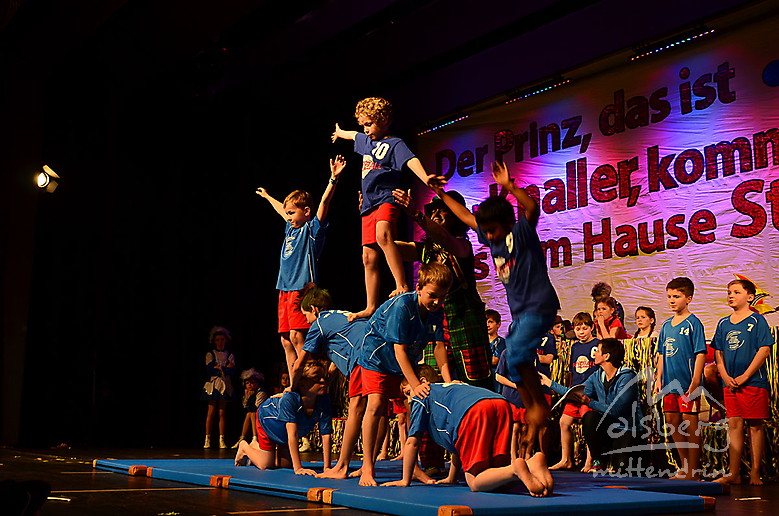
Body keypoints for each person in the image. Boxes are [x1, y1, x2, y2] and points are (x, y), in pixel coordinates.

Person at [430, 161, 560, 456]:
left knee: (515, 353)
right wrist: (442, 193)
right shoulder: (494, 241)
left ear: (507, 223)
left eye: (492, 230)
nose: (487, 236)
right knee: (512, 362)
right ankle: (533, 410)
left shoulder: (521, 234)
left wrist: (511, 187)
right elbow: (466, 216)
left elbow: (532, 209)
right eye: (485, 232)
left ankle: (538, 407)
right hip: (520, 315)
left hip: (539, 306)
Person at [331, 97, 435, 321]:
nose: (366, 129)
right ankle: (370, 306)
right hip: (368, 205)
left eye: (369, 124)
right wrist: (340, 133)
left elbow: (411, 160)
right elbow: (353, 135)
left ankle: (401, 284)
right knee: (368, 257)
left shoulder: (395, 144)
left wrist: (426, 178)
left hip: (387, 197)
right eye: (363, 125)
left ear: (385, 120)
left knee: (383, 235)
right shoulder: (366, 141)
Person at [354, 262, 454, 486]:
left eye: (442, 297)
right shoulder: (403, 307)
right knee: (376, 404)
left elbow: (439, 347)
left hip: (403, 359)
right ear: (419, 289)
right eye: (432, 295)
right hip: (377, 357)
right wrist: (415, 385)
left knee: (413, 406)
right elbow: (399, 351)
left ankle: (413, 468)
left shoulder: (437, 311)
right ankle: (368, 467)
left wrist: (448, 382)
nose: (437, 302)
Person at [381, 366, 552, 496]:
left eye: (408, 392)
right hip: (499, 403)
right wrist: (452, 477)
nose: (409, 399)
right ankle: (532, 464)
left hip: (474, 411)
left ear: (423, 381)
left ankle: (515, 468)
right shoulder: (451, 387)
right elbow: (459, 444)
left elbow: (412, 442)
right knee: (496, 476)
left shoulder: (422, 395)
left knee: (475, 482)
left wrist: (405, 480)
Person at [255, 155, 345, 379]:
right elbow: (281, 209)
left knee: (298, 336)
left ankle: (310, 378)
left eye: (292, 213)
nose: (288, 217)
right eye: (287, 214)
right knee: (286, 339)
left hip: (300, 289)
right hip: (284, 290)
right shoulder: (290, 228)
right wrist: (267, 197)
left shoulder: (311, 230)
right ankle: (294, 383)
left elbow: (324, 204)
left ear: (306, 212)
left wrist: (333, 179)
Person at [393, 188, 493, 389]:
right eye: (432, 210)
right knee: (433, 381)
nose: (435, 213)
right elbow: (391, 247)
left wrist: (416, 215)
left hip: (465, 322)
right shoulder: (426, 250)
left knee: (477, 384)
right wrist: (376, 221)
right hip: (435, 323)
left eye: (442, 209)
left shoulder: (463, 245)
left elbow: (445, 239)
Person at [290, 287, 372, 480]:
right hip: (376, 349)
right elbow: (335, 366)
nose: (306, 321)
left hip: (362, 355)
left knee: (356, 408)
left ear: (314, 309)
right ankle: (368, 466)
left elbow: (298, 364)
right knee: (376, 408)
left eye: (306, 315)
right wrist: (326, 382)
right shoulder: (340, 318)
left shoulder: (319, 323)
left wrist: (292, 388)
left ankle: (342, 466)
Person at [541, 338, 644, 473]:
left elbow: (618, 409)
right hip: (608, 427)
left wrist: (590, 402)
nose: (594, 353)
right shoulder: (597, 376)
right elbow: (575, 392)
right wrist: (549, 383)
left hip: (627, 428)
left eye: (598, 351)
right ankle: (597, 461)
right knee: (589, 416)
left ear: (606, 356)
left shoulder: (627, 377)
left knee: (622, 468)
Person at [712, 279, 773, 485]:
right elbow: (718, 352)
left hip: (753, 381)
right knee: (734, 424)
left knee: (755, 425)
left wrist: (745, 376)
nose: (731, 295)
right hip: (730, 383)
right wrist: (724, 375)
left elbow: (764, 350)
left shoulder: (757, 320)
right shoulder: (723, 323)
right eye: (729, 292)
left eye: (736, 292)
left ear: (749, 297)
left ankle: (755, 471)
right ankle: (734, 472)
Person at [234, 360, 332, 475]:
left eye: (323, 377)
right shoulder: (291, 399)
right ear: (302, 383)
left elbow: (326, 434)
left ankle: (257, 448)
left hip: (283, 432)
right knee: (266, 464)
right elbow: (292, 434)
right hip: (268, 422)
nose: (323, 381)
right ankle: (245, 447)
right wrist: (298, 468)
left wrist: (327, 468)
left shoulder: (324, 401)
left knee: (285, 465)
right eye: (316, 378)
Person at [654, 277, 707, 480]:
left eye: (676, 296)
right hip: (669, 384)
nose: (671, 300)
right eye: (669, 296)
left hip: (687, 383)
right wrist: (658, 378)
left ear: (689, 298)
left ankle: (694, 469)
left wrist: (696, 381)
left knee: (690, 423)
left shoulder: (694, 323)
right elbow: (661, 353)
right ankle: (684, 466)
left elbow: (700, 353)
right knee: (672, 421)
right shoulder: (666, 325)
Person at [550, 312, 599, 471]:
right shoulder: (575, 346)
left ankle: (589, 461)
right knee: (564, 422)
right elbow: (573, 371)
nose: (581, 332)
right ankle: (566, 459)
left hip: (590, 393)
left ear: (591, 328)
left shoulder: (597, 344)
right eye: (578, 329)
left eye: (585, 328)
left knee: (588, 423)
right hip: (575, 392)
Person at [202, 326, 236, 449]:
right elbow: (210, 369)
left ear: (226, 340)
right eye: (217, 340)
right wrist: (224, 368)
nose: (220, 342)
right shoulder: (211, 354)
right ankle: (207, 438)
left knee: (222, 412)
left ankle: (222, 439)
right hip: (213, 384)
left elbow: (232, 371)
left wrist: (221, 368)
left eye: (222, 339)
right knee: (211, 411)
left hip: (225, 384)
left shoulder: (229, 355)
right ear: (214, 341)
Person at [494, 349, 526, 460]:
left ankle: (523, 456)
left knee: (525, 429)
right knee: (514, 427)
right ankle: (513, 456)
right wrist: (515, 386)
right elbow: (498, 376)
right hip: (511, 396)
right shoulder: (507, 353)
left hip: (526, 398)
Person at [233, 368, 269, 448]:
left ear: (257, 383)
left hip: (264, 414)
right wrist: (247, 396)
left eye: (252, 383)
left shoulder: (261, 393)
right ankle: (242, 438)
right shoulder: (249, 393)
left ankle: (255, 438)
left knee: (252, 414)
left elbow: (257, 407)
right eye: (247, 383)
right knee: (249, 414)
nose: (249, 385)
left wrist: (251, 396)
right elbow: (245, 406)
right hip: (254, 414)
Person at [487, 309, 507, 391]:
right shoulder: (481, 342)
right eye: (485, 322)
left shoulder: (501, 342)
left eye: (490, 322)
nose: (487, 325)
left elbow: (495, 360)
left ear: (498, 324)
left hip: (495, 380)